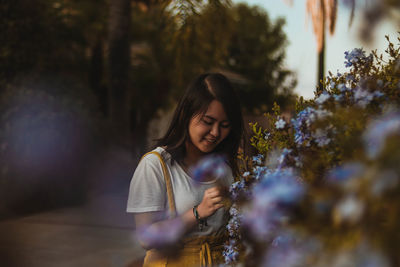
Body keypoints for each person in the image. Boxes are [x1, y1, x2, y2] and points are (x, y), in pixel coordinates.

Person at [127, 73, 244, 266]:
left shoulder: (227, 167)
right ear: (186, 114)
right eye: (208, 121)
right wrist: (197, 213)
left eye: (224, 125)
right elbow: (146, 238)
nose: (215, 133)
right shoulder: (156, 165)